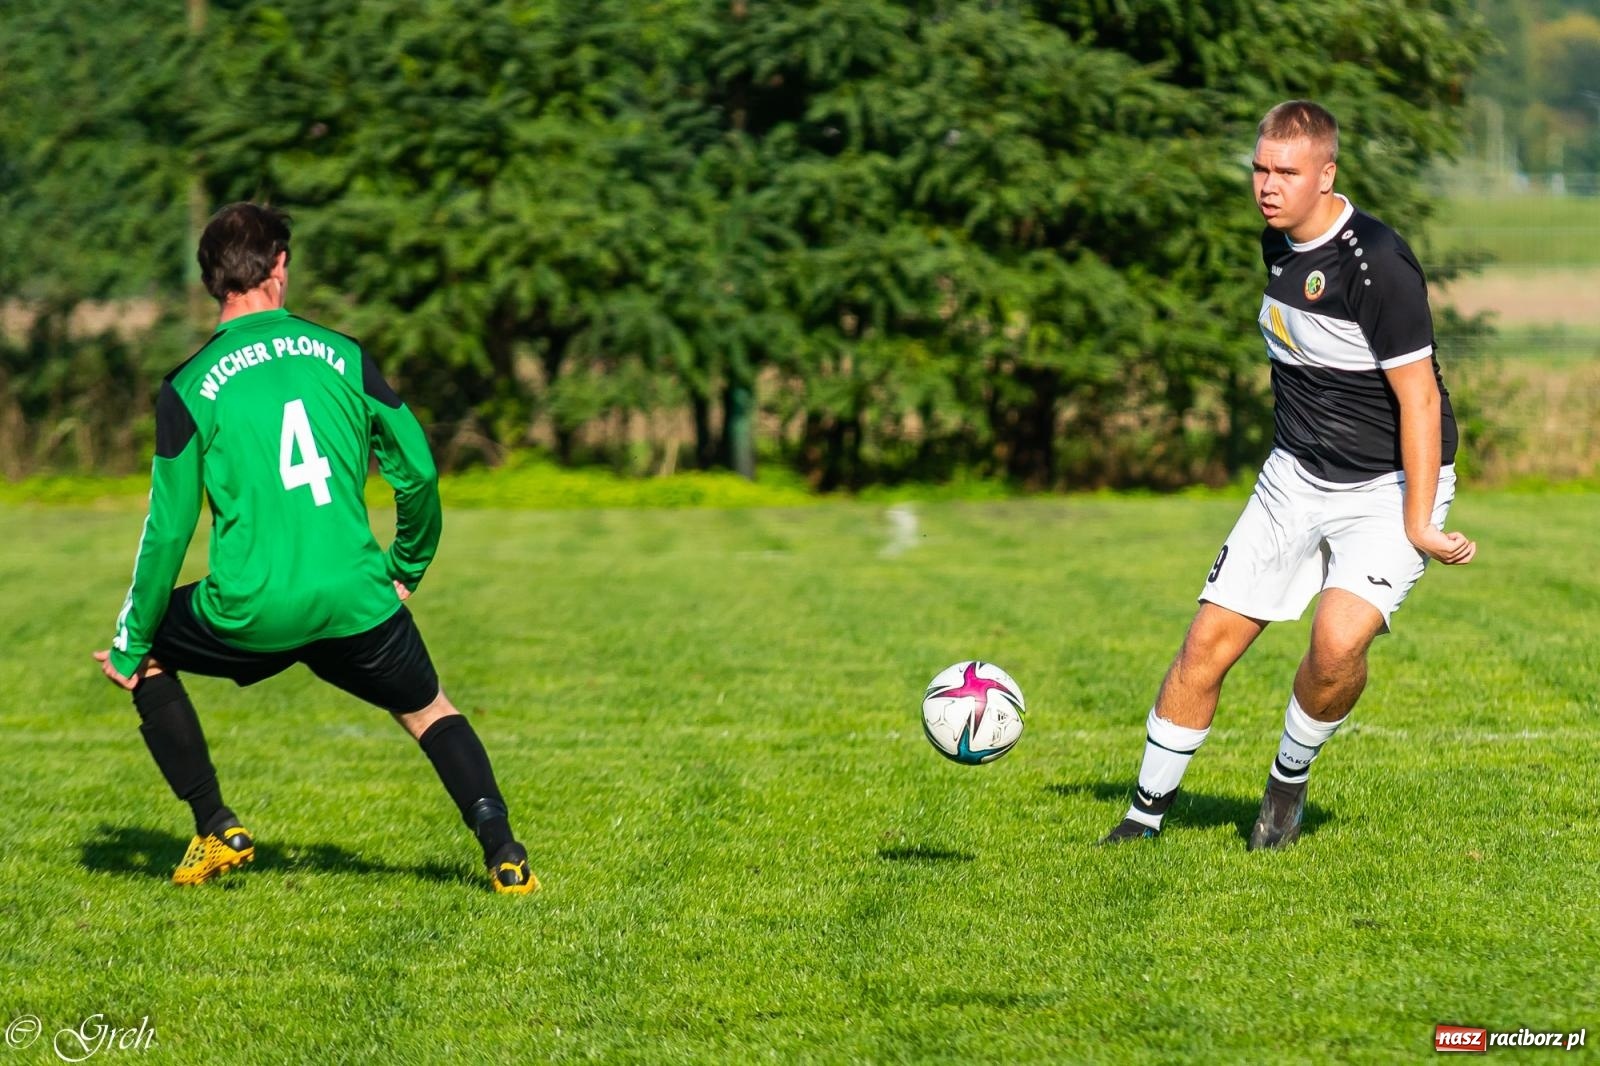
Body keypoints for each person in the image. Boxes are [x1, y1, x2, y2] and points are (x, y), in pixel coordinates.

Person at [93, 202, 537, 892]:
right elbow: (418, 471)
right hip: (355, 597)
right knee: (430, 711)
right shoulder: (343, 354)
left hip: (251, 609)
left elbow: (169, 529)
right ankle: (504, 853)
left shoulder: (187, 385)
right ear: (278, 267)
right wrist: (407, 564)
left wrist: (129, 643)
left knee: (149, 656)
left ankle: (216, 825)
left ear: (212, 280)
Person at [1100, 100, 1476, 850]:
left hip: (1388, 489)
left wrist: (1418, 521)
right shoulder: (1276, 240)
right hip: (1293, 480)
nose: (1268, 187)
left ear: (1326, 174)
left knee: (1336, 645)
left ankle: (1287, 781)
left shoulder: (1376, 263)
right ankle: (1142, 819)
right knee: (1207, 642)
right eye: (1260, 169)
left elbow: (1421, 398)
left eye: (1287, 172)